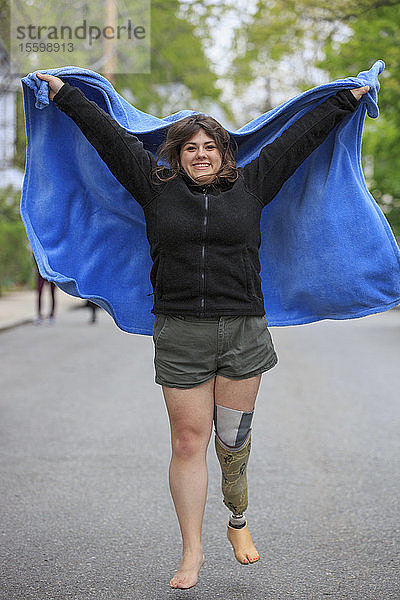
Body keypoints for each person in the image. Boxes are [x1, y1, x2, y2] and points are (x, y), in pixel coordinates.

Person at [35, 71, 369, 589]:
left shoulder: (253, 184)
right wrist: (63, 94)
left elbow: (299, 140)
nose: (201, 153)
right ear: (177, 156)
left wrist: (346, 101)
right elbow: (106, 135)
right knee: (188, 442)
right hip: (181, 334)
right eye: (190, 147)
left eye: (210, 146)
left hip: (243, 332)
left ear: (224, 154)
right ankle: (191, 552)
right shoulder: (153, 187)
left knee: (233, 442)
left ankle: (238, 519)